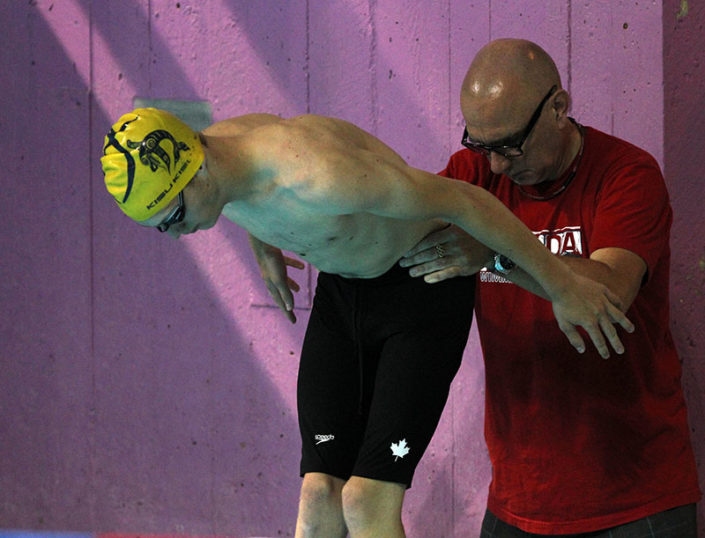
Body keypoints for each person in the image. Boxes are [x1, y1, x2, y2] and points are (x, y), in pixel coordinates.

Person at [101, 107, 632, 537]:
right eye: (158, 227)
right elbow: (243, 192)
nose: (174, 236)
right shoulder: (214, 150)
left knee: (366, 500)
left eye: (172, 217)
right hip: (343, 291)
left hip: (418, 290)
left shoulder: (321, 177)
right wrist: (263, 246)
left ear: (196, 169)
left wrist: (562, 288)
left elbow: (467, 201)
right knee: (317, 499)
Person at [401, 38, 702, 537]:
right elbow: (390, 214)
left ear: (559, 107)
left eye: (509, 145)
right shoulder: (475, 175)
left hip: (635, 497)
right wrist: (273, 220)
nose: (497, 164)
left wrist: (494, 253)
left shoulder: (627, 174)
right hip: (520, 496)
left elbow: (605, 293)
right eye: (482, 145)